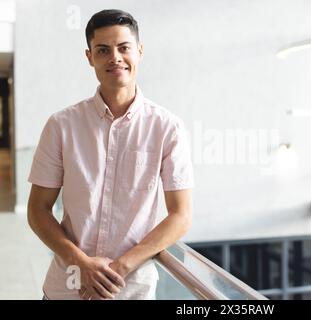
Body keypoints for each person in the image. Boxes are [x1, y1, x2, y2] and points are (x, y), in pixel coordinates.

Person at [27, 9, 194, 300]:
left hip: (132, 291)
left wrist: (118, 267)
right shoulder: (61, 125)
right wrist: (81, 263)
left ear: (139, 52)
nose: (114, 57)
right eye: (103, 50)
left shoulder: (168, 128)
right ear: (89, 57)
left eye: (123, 48)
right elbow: (38, 210)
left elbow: (181, 215)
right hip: (66, 289)